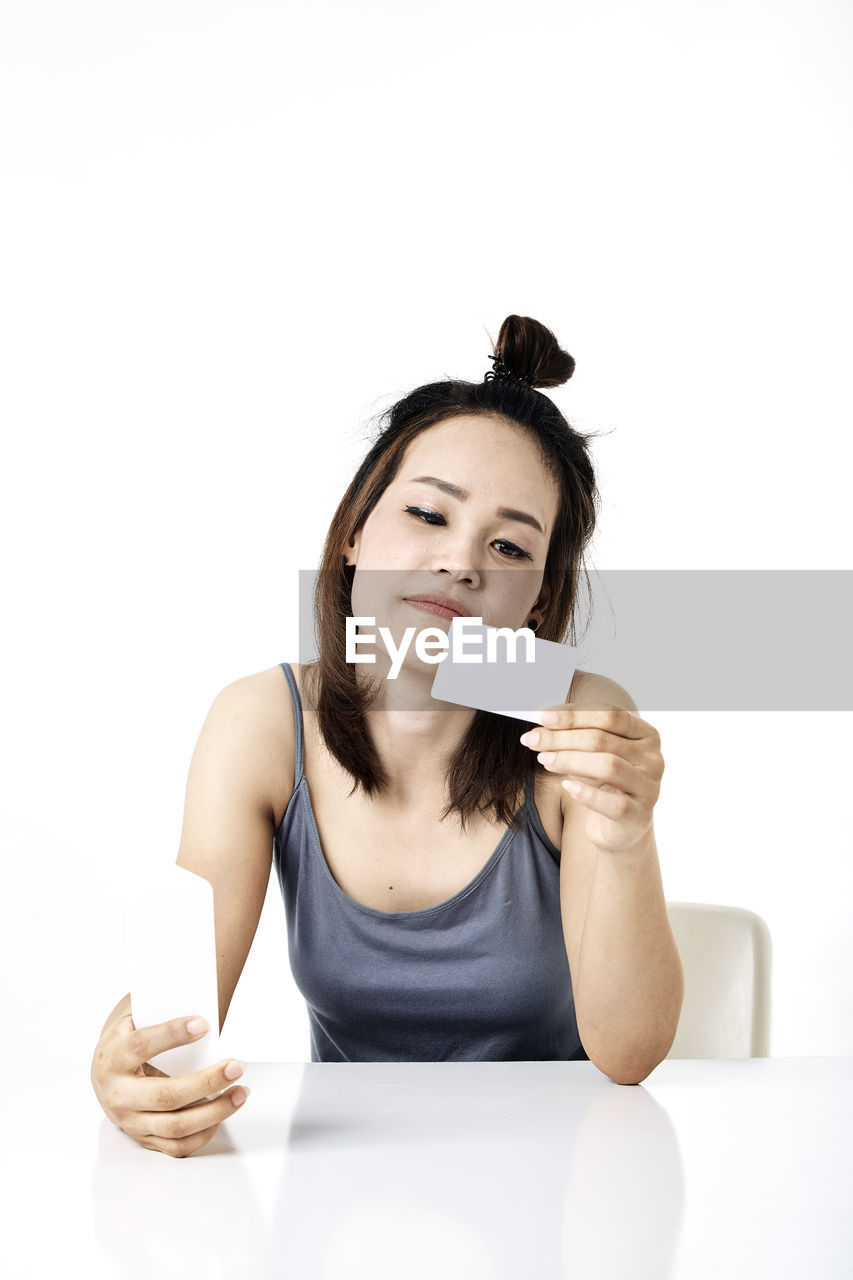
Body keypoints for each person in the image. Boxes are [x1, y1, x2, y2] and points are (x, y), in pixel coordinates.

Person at [90, 314, 684, 1157]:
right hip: (340, 1171)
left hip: (552, 1168)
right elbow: (175, 1015)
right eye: (427, 515)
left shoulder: (573, 719)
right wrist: (125, 1069)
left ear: (540, 605)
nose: (460, 563)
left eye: (509, 545)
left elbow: (627, 1060)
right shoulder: (262, 724)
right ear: (357, 532)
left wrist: (626, 838)